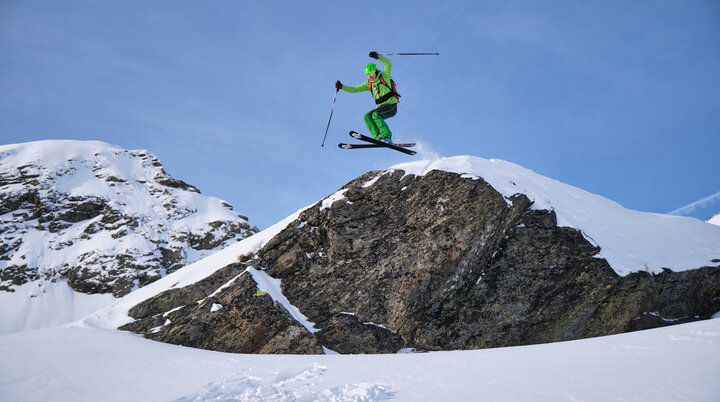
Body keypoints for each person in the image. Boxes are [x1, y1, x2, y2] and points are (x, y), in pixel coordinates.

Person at [336, 51, 400, 143]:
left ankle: (387, 136)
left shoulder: (384, 76)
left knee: (375, 115)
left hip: (391, 106)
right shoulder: (369, 83)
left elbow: (388, 63)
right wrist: (342, 87)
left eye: (371, 73)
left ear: (376, 71)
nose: (370, 76)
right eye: (368, 75)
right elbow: (355, 89)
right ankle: (379, 138)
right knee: (367, 117)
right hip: (381, 108)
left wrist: (378, 57)